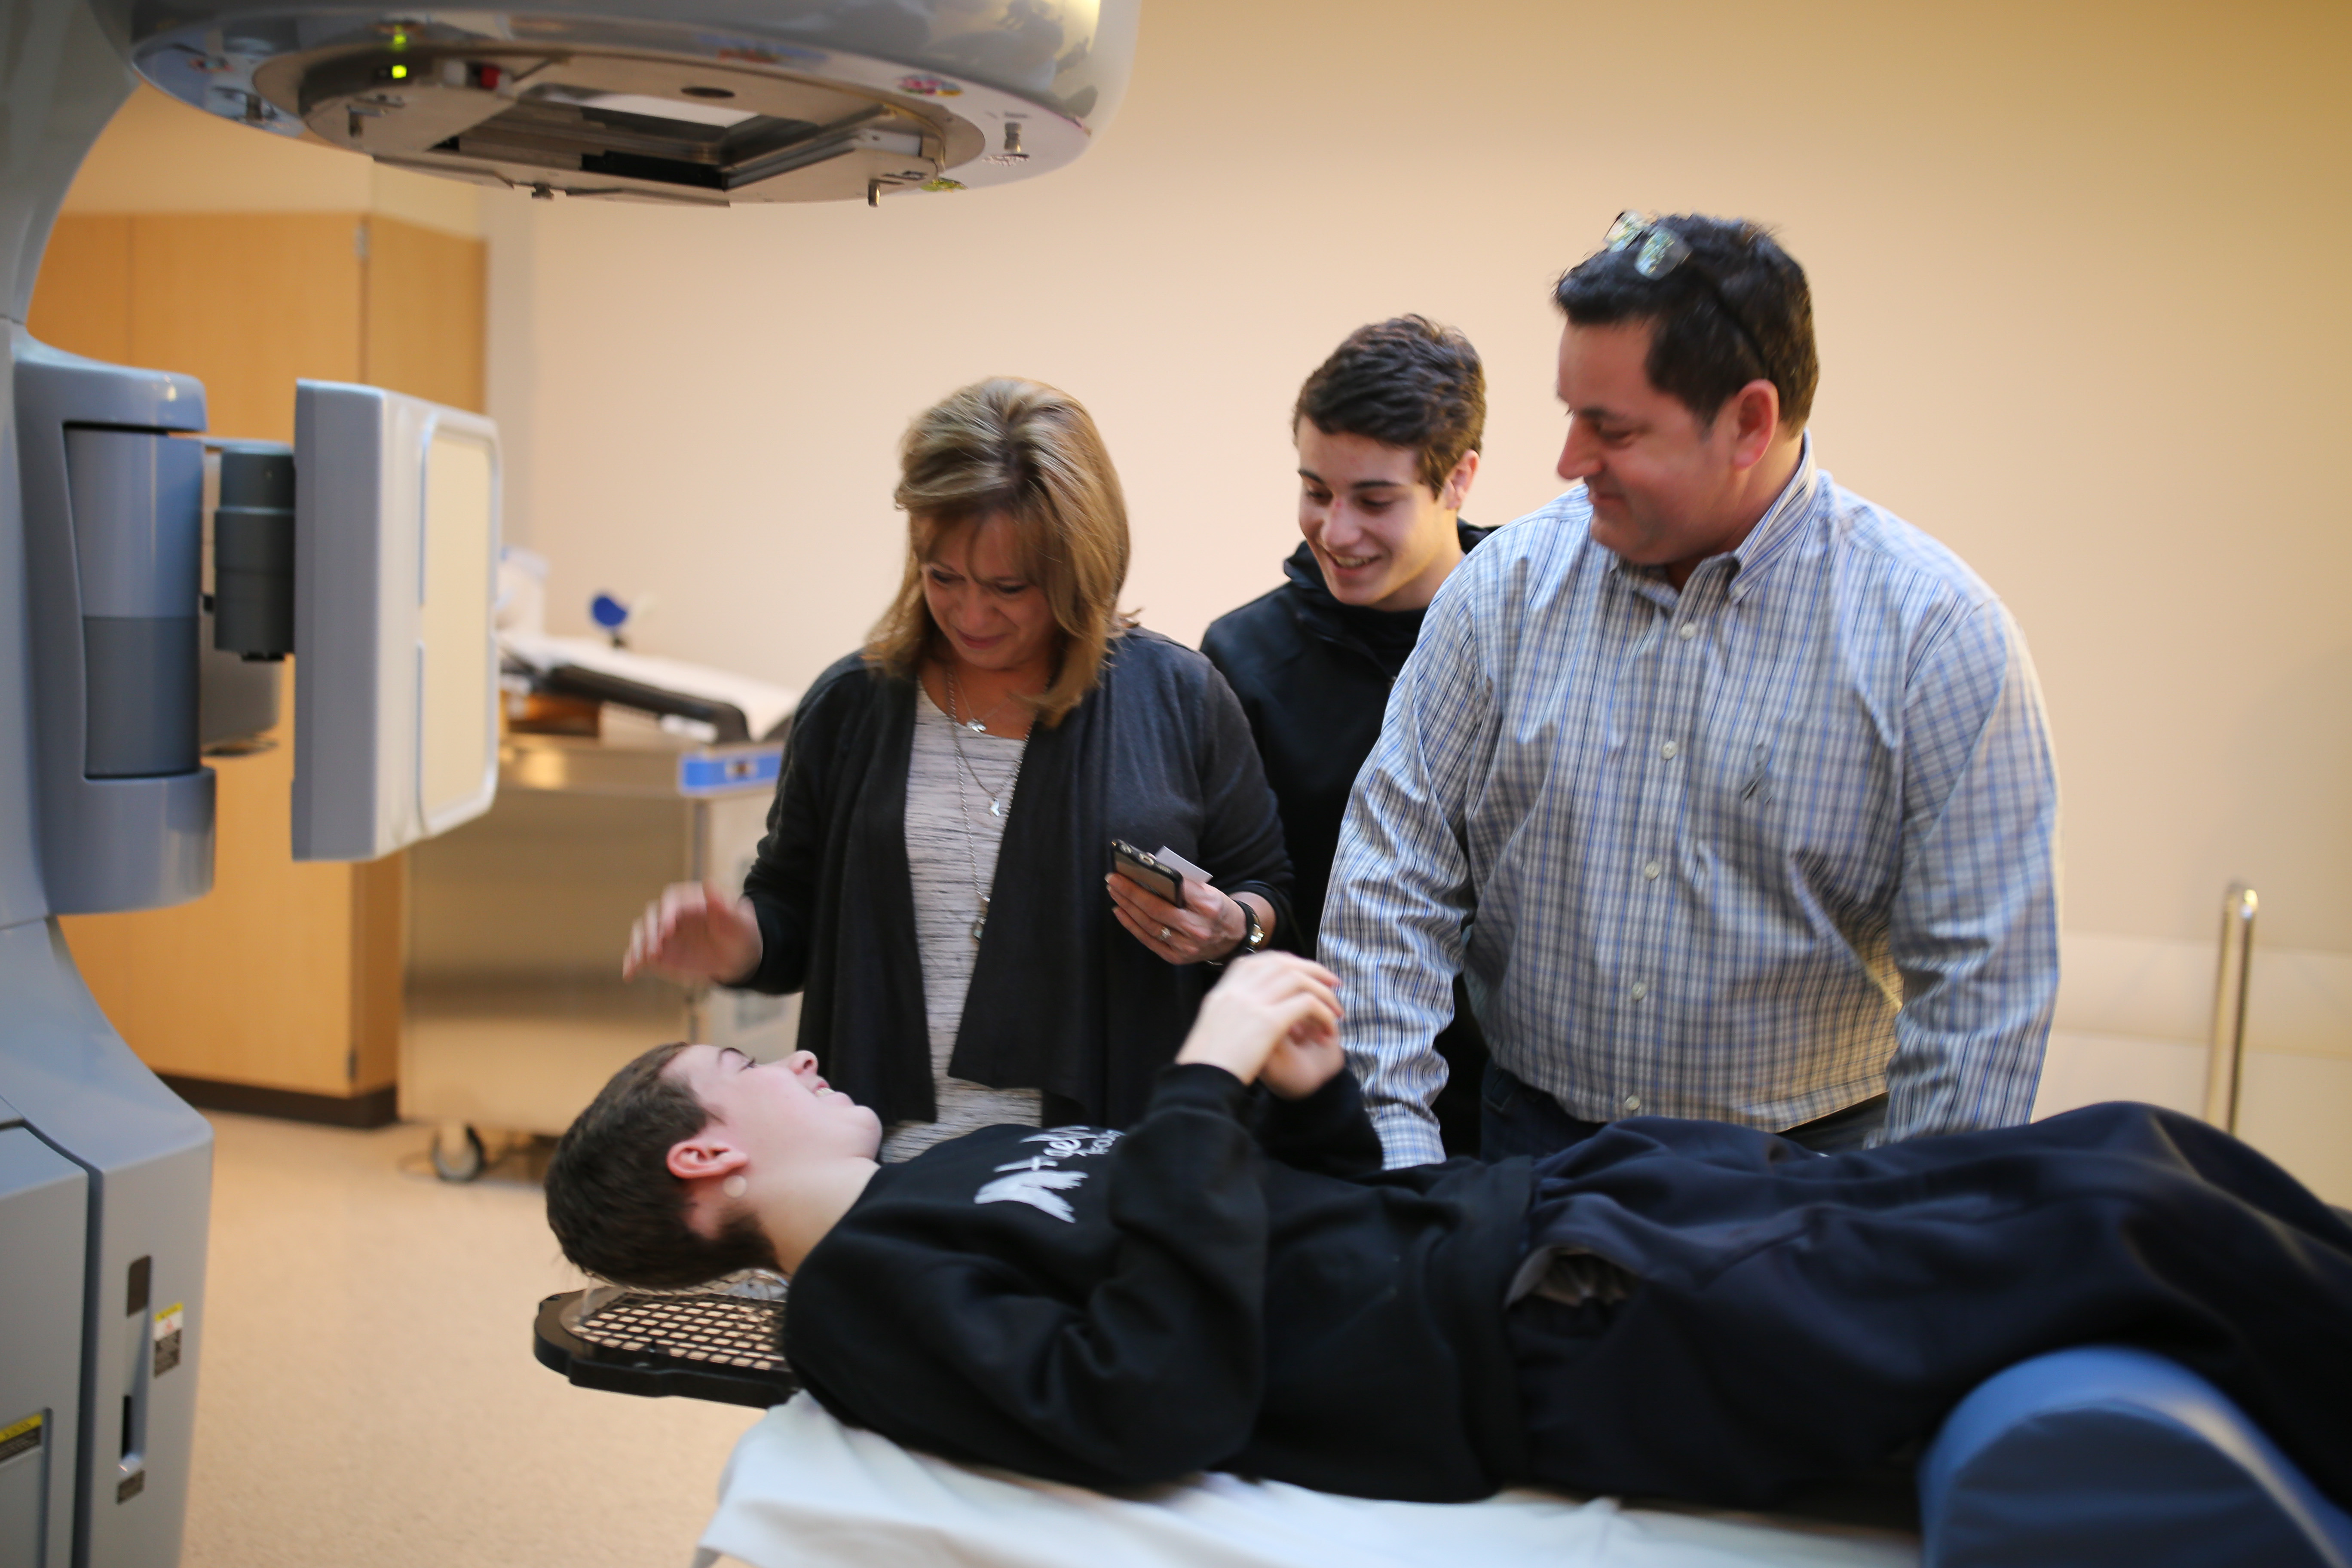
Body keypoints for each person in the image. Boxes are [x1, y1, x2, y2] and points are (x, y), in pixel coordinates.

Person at [543, 955, 2352, 1514]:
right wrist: (1199, 1082)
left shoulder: (960, 1170)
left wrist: (1305, 1095)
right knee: (2121, 1225)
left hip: (1553, 1207)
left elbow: (1282, 1216)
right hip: (1551, 1323)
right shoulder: (859, 1306)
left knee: (2127, 1148)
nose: (794, 1058)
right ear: (710, 1151)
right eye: (748, 1065)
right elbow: (1151, 1395)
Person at [1323, 213, 2062, 1167]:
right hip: (1532, 1154)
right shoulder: (1502, 590)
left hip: (1807, 1178)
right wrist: (1401, 1167)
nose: (1569, 461)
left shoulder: (1937, 639)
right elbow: (1390, 881)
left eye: (1613, 429)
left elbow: (1981, 998)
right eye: (1571, 415)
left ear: (1749, 422)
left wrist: (1900, 1232)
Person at [622, 378, 1292, 1159]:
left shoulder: (1177, 696)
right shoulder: (851, 706)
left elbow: (1269, 889)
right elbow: (790, 915)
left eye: (1010, 588)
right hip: (883, 1164)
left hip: (1101, 1169)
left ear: (1080, 568)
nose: (972, 616)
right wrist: (740, 944)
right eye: (943, 577)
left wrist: (1234, 926)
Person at [1202, 315, 1494, 1155]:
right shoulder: (1243, 657)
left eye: (1373, 500)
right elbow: (1260, 896)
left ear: (1458, 479)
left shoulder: (1537, 628)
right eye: (1316, 491)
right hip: (1317, 1106)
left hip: (1519, 1107)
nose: (1335, 531)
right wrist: (1233, 924)